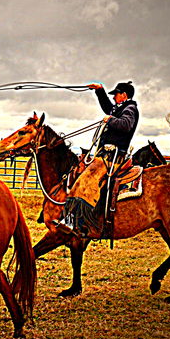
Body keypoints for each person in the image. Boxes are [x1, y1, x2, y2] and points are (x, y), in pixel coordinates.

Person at [59, 81, 139, 237]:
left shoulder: (130, 109)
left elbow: (126, 125)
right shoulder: (121, 108)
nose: (114, 97)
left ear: (124, 95)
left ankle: (78, 221)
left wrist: (109, 120)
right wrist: (100, 91)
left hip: (113, 156)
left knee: (87, 179)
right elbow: (108, 108)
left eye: (116, 94)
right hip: (105, 153)